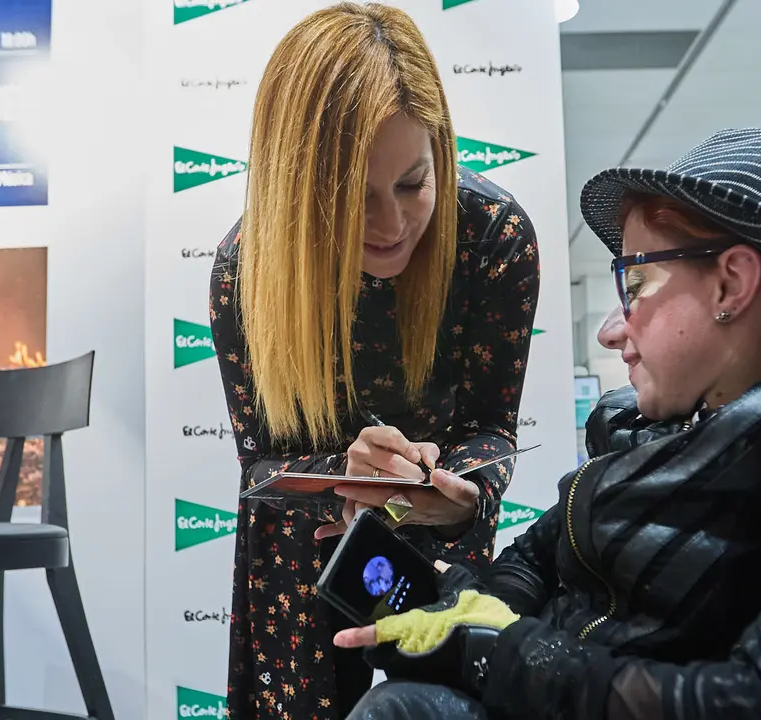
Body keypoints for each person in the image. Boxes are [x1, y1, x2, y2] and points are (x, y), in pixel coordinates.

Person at [333, 128, 761, 719]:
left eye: (635, 286)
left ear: (731, 285)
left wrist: (493, 653)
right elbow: (538, 554)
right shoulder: (643, 427)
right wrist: (468, 612)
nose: (611, 330)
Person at [207, 3, 540, 717]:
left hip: (440, 554)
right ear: (296, 190)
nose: (392, 226)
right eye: (352, 198)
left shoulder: (492, 236)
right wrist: (344, 474)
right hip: (299, 562)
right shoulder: (247, 268)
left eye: (414, 184)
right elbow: (260, 464)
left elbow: (492, 426)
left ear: (440, 151)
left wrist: (461, 496)